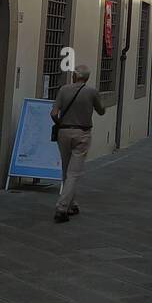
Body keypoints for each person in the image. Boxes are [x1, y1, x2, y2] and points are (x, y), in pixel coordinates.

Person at [50, 64, 105, 223]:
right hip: (82, 133)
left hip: (64, 132)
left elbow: (53, 113)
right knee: (74, 172)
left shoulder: (63, 90)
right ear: (86, 78)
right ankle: (62, 207)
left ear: (75, 75)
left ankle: (72, 204)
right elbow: (100, 110)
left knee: (66, 170)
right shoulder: (92, 92)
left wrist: (60, 122)